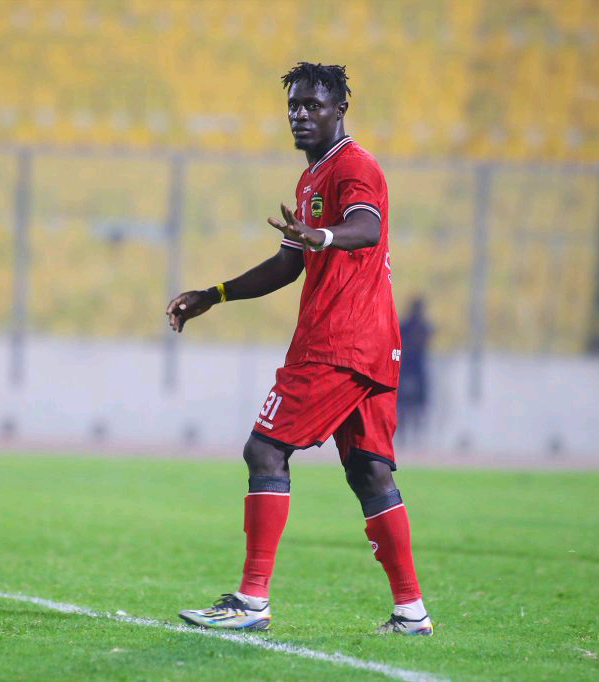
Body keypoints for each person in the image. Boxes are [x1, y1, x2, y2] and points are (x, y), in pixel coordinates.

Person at [166, 63, 431, 635]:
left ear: (340, 110)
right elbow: (289, 263)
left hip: (338, 342)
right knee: (370, 472)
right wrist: (216, 294)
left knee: (264, 451)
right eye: (293, 105)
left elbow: (366, 226)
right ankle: (411, 611)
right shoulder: (311, 179)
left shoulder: (354, 166)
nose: (300, 114)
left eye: (313, 104)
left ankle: (251, 600)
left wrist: (324, 235)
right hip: (371, 344)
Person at [397, 296, 434, 446]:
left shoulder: (422, 327)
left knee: (417, 406)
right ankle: (404, 437)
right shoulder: (406, 326)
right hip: (407, 368)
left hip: (417, 369)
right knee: (403, 405)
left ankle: (416, 438)